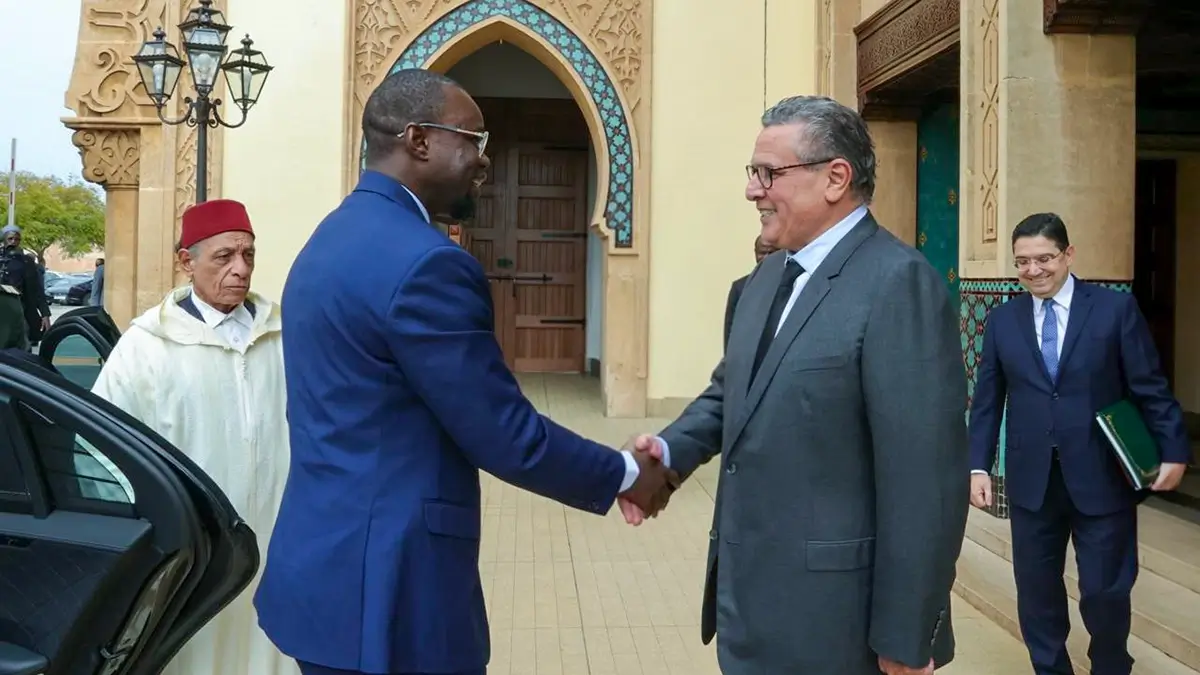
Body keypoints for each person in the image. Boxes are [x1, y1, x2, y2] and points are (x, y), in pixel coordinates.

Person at [254, 68, 676, 675]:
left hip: (322, 574)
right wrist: (626, 473)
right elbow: (502, 433)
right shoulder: (426, 262)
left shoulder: (330, 237)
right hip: (392, 592)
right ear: (418, 140)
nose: (484, 160)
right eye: (473, 140)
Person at [623, 95, 969, 675]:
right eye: (752, 174)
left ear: (836, 177)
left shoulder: (898, 283)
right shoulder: (767, 278)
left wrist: (907, 634)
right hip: (749, 608)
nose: (753, 191)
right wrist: (668, 452)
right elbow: (731, 392)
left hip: (838, 626)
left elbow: (924, 480)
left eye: (768, 173)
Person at [968, 213, 1190, 675]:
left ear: (1068, 255)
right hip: (1031, 482)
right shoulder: (1003, 320)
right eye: (1022, 262)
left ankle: (1110, 665)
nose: (1033, 270)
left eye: (1044, 258)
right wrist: (978, 466)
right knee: (1036, 592)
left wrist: (1173, 449)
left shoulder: (1113, 311)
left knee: (1106, 591)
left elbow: (1148, 384)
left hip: (1102, 477)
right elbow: (987, 400)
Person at [90, 199, 297, 675]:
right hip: (193, 548)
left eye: (247, 255)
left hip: (275, 536)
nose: (240, 270)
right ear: (187, 262)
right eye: (223, 257)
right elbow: (105, 452)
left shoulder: (284, 335)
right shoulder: (147, 346)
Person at [0, 225, 49, 347]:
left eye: (16, 239)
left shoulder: (26, 261)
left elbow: (37, 288)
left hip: (21, 309)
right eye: (10, 239)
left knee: (22, 344)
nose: (13, 242)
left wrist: (45, 314)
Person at [723, 235, 775, 351]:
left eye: (771, 253)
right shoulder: (740, 288)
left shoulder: (789, 283)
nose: (766, 258)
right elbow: (730, 333)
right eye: (762, 253)